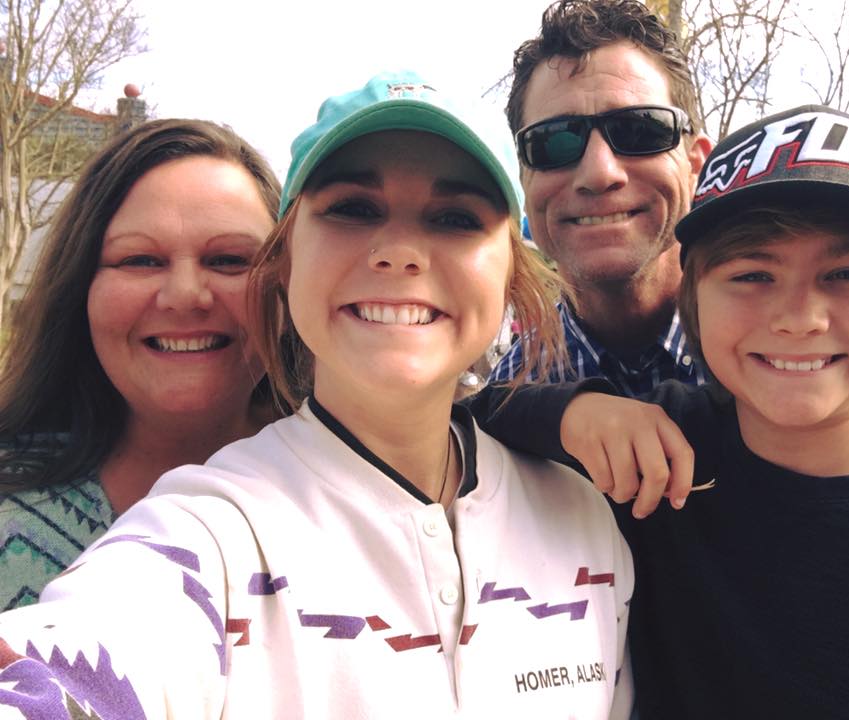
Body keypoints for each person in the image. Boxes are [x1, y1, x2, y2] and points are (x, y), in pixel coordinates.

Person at [0, 71, 634, 719]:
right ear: (283, 263)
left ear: (512, 274)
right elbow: (72, 673)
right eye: (352, 209)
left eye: (455, 218)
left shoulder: (584, 521)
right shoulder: (205, 538)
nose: (399, 252)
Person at [492, 104, 849, 717]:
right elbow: (472, 419)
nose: (799, 318)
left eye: (847, 273)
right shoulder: (659, 455)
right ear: (692, 299)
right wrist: (575, 412)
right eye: (752, 275)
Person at [489, 0, 849, 428]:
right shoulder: (509, 393)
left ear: (696, 164)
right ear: (524, 180)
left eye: (639, 130)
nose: (599, 172)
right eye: (552, 143)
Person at [0, 120, 281, 611]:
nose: (185, 295)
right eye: (141, 260)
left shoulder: (367, 494)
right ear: (81, 287)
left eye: (230, 260)